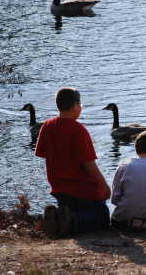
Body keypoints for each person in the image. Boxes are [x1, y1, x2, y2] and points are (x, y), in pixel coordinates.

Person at [35, 88, 111, 238]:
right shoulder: (78, 130)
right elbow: (89, 164)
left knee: (70, 209)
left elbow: (42, 153)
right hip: (83, 190)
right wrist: (105, 186)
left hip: (59, 190)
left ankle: (59, 216)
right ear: (76, 106)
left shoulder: (47, 126)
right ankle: (72, 220)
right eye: (81, 104)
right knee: (102, 216)